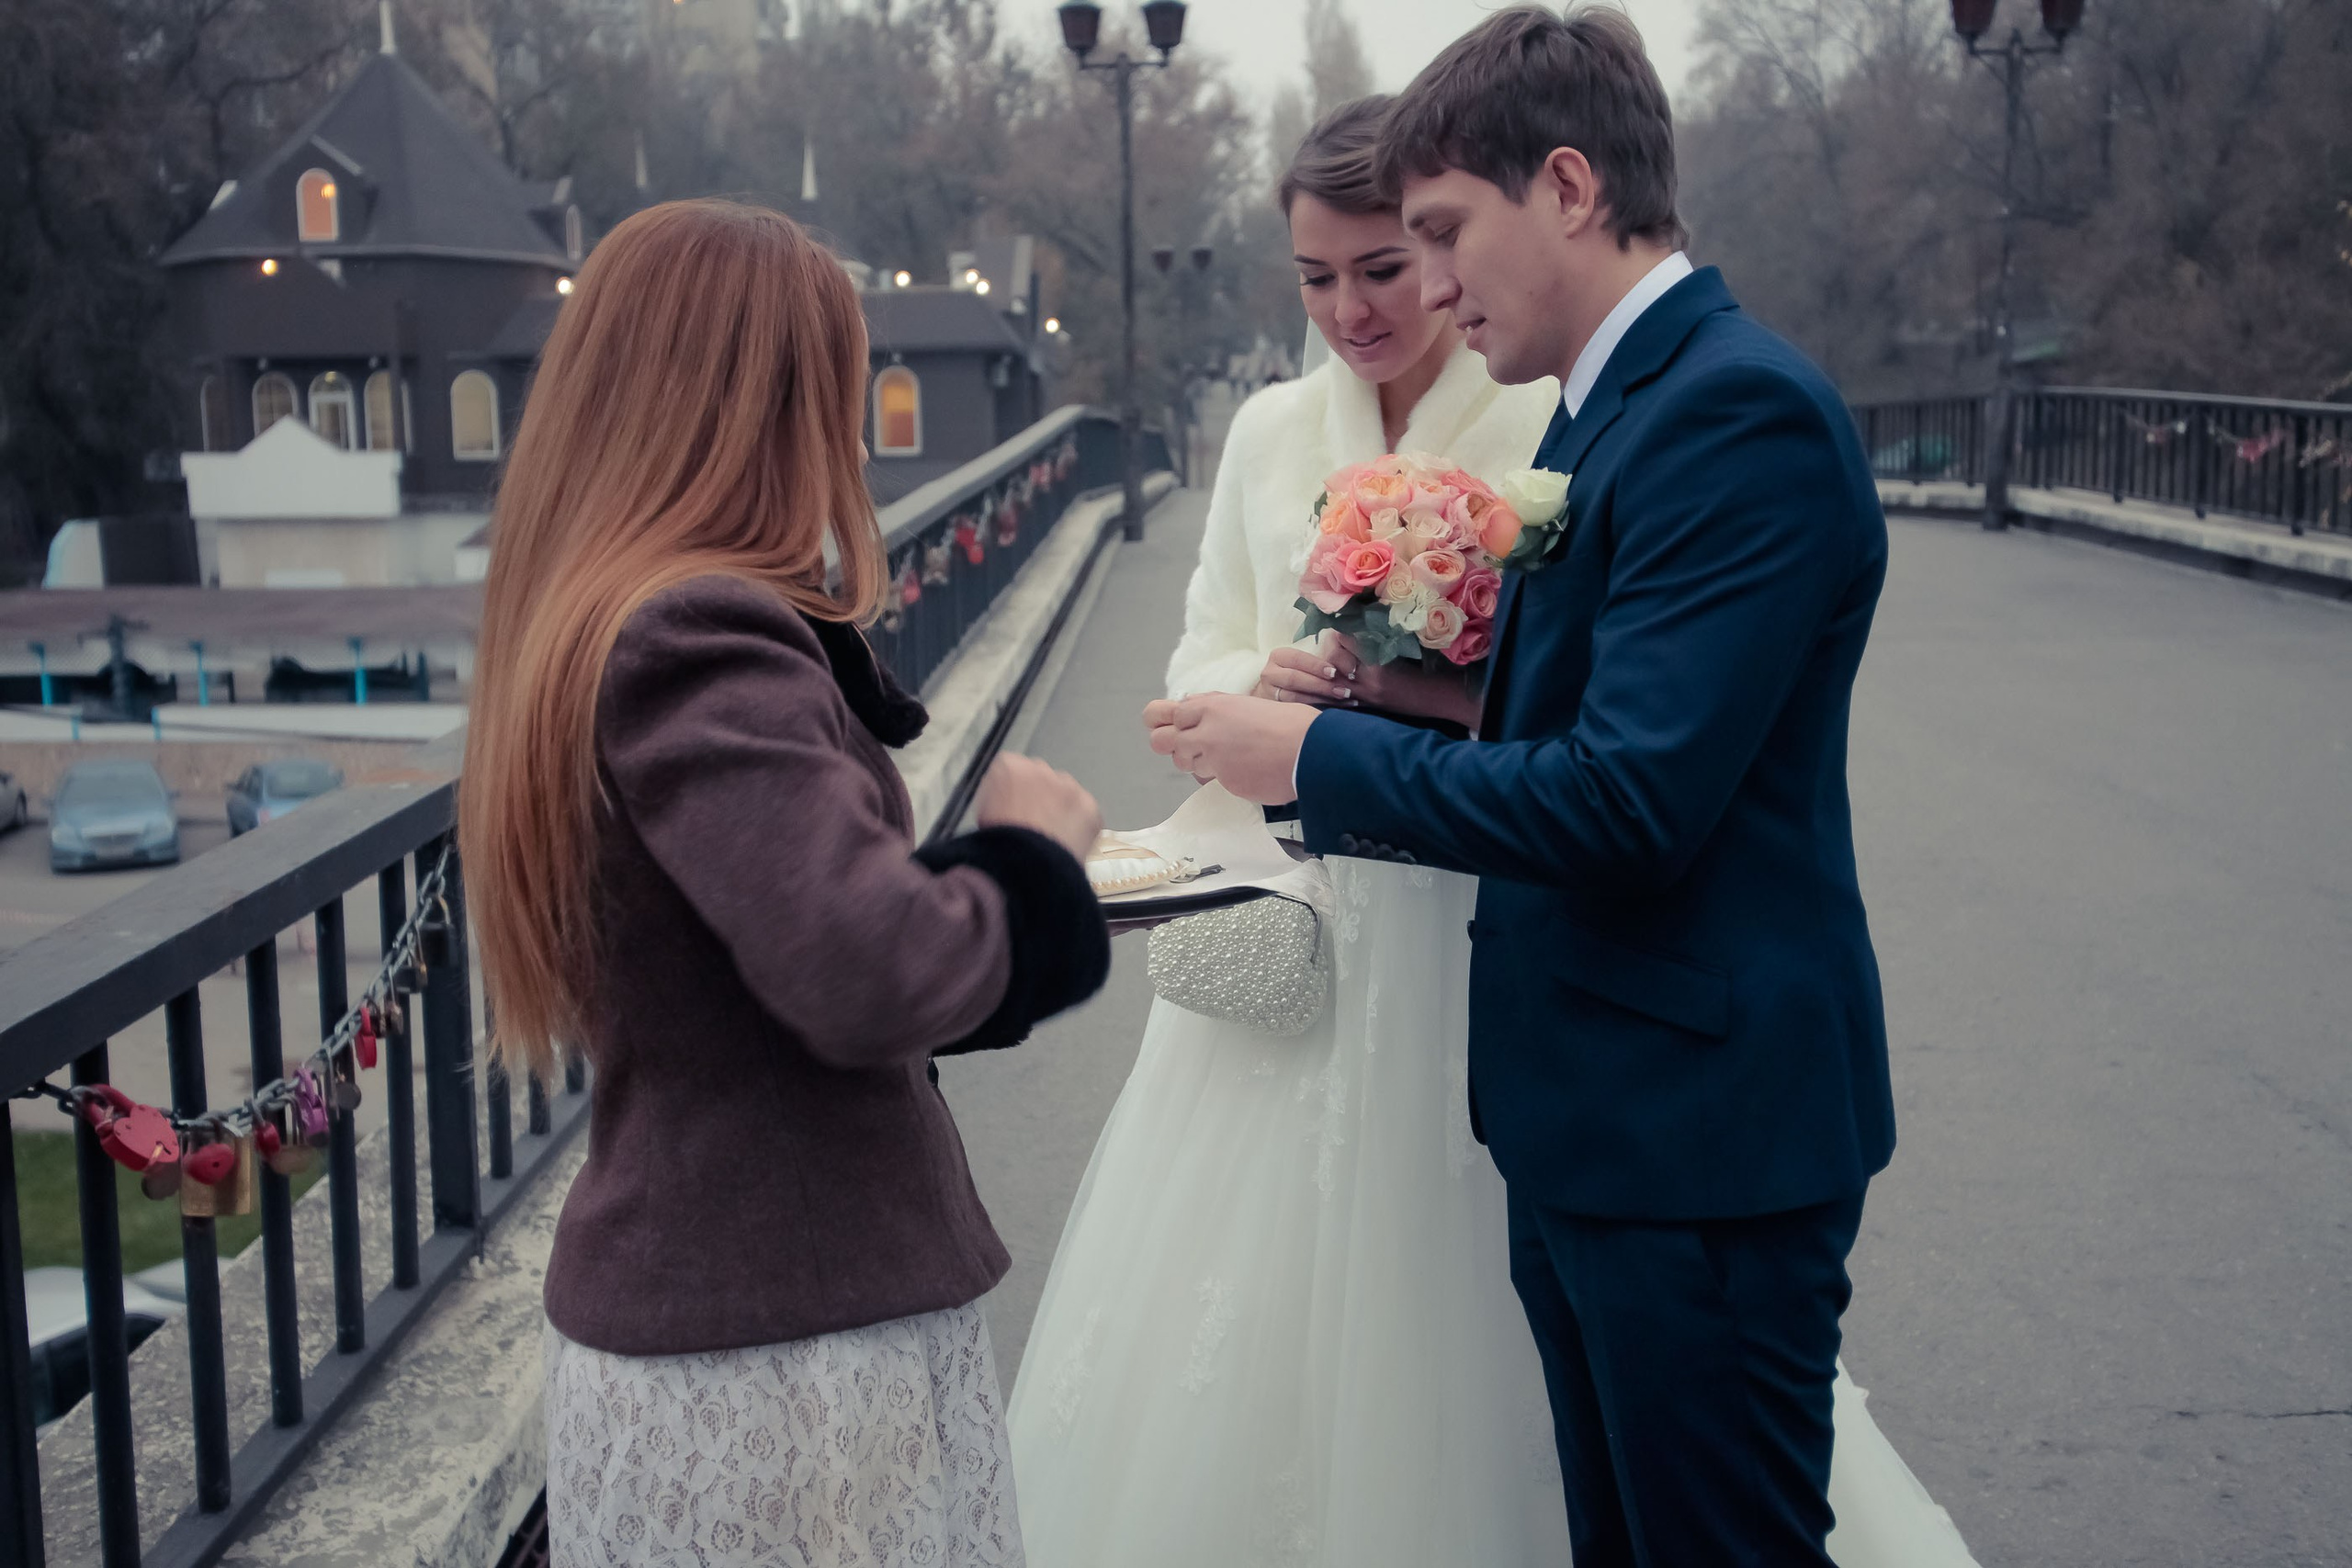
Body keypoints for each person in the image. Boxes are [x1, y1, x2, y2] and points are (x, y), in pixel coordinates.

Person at [1021, 89, 1976, 1566]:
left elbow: (1627, 796)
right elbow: (1584, 721)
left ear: (1573, 188)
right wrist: (1391, 693)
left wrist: (1324, 751)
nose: (1429, 282)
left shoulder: (1725, 410)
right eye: (1347, 265)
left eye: (1440, 237)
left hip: (1688, 1130)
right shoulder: (1618, 404)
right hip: (1587, 1102)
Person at [458, 198, 1109, 1568]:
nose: (856, 435)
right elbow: (860, 965)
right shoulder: (697, 631)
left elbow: (755, 950)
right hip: (788, 1355)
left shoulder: (592, 618)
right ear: (757, 405)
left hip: (731, 1321)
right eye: (836, 387)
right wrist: (1033, 865)